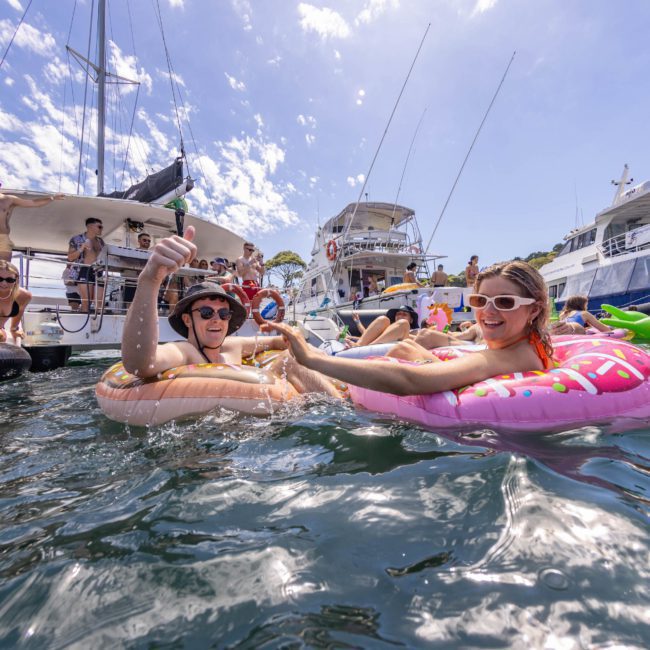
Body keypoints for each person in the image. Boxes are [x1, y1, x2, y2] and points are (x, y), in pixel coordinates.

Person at [263, 260, 553, 397]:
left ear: (535, 308)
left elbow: (407, 382)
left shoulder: (511, 355)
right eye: (480, 300)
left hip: (356, 404)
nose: (488, 311)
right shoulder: (524, 343)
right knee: (405, 345)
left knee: (289, 362)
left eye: (504, 301)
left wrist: (313, 360)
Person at [122, 226, 340, 397]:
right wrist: (150, 279)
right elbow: (141, 364)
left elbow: (275, 343)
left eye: (224, 314)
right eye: (207, 312)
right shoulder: (186, 352)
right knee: (289, 362)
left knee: (289, 358)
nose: (217, 319)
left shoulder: (232, 346)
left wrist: (308, 348)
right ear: (187, 320)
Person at [0, 190, 65, 261]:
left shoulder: (9, 199)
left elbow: (33, 203)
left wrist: (52, 198)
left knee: (4, 267)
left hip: (3, 239)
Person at [68, 217, 106, 312]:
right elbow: (70, 258)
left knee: (99, 303)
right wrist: (82, 248)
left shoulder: (100, 241)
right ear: (90, 226)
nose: (102, 229)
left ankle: (97, 325)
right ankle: (84, 323)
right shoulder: (76, 239)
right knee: (86, 302)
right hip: (84, 270)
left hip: (98, 271)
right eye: (99, 226)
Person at [349, 304, 418, 347]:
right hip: (377, 344)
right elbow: (367, 334)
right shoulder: (387, 327)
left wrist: (405, 333)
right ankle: (359, 346)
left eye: (404, 314)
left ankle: (369, 347)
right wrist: (351, 337)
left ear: (411, 320)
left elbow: (419, 341)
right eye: (398, 314)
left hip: (399, 346)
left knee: (404, 323)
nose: (400, 316)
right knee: (383, 319)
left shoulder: (414, 331)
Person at [0, 260, 32, 344]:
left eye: (9, 280)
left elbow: (18, 315)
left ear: (16, 279)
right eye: (0, 279)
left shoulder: (23, 296)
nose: (4, 283)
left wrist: (13, 330)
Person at [122, 232, 152, 306]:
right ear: (139, 241)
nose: (147, 242)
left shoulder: (152, 255)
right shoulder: (132, 252)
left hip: (146, 282)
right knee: (130, 303)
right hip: (132, 281)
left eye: (149, 241)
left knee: (145, 304)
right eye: (144, 240)